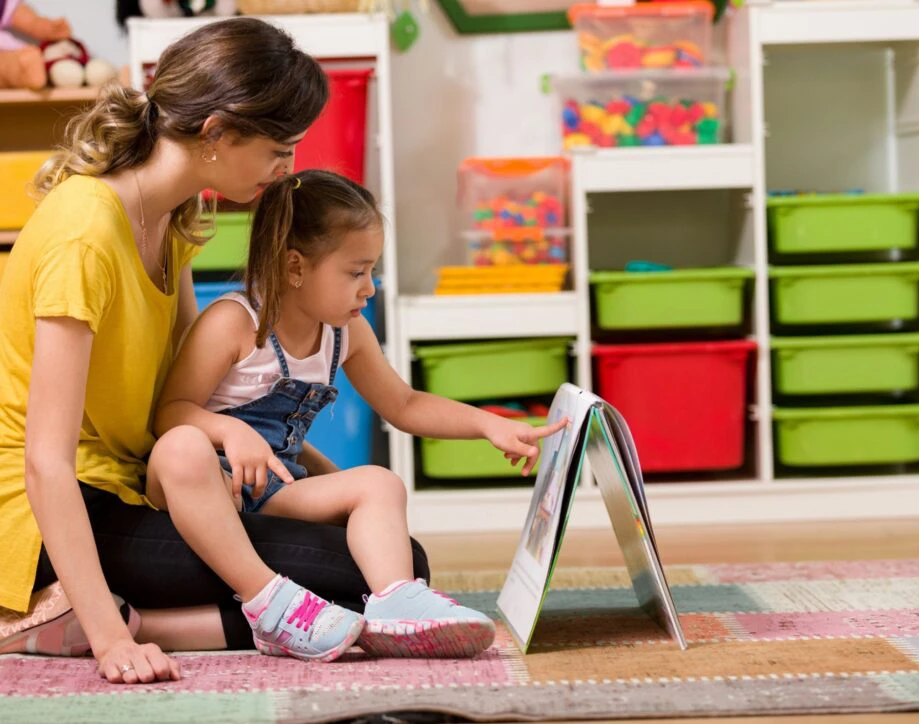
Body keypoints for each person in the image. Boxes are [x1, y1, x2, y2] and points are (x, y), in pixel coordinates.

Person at [0, 17, 426, 685]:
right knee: (355, 576)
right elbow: (45, 461)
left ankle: (97, 616)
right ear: (218, 131)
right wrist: (115, 644)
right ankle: (95, 620)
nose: (287, 170)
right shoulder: (84, 234)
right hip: (43, 515)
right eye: (278, 149)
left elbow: (196, 396)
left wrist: (312, 477)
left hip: (135, 481)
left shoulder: (168, 221)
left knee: (390, 566)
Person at [151, 169, 568, 660]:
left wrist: (486, 424)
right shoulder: (233, 322)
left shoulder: (345, 333)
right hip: (203, 482)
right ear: (294, 267)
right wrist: (230, 430)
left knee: (380, 482)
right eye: (356, 272)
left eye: (371, 271)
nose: (369, 288)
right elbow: (170, 413)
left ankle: (397, 601)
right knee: (183, 448)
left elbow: (405, 404)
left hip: (272, 492)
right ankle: (267, 604)